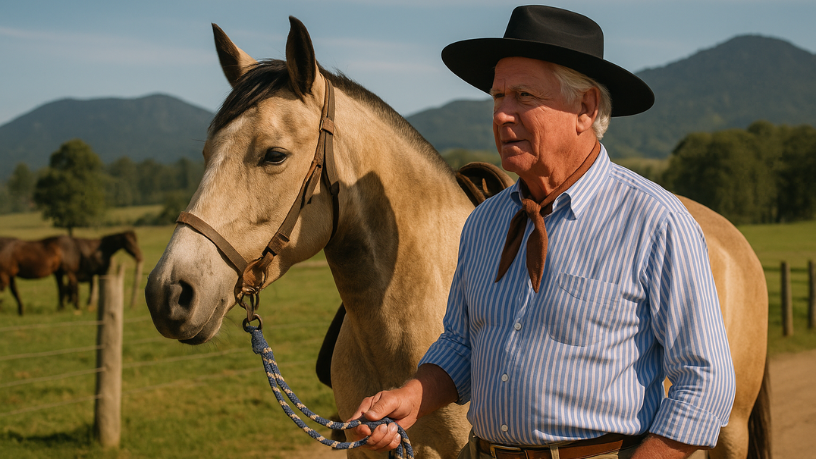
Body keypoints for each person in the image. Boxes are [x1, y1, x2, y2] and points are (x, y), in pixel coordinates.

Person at [350, 5, 735, 459]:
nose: (501, 114)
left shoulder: (655, 222)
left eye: (524, 96)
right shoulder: (483, 223)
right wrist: (412, 396)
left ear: (585, 108)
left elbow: (705, 380)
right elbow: (460, 345)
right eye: (498, 97)